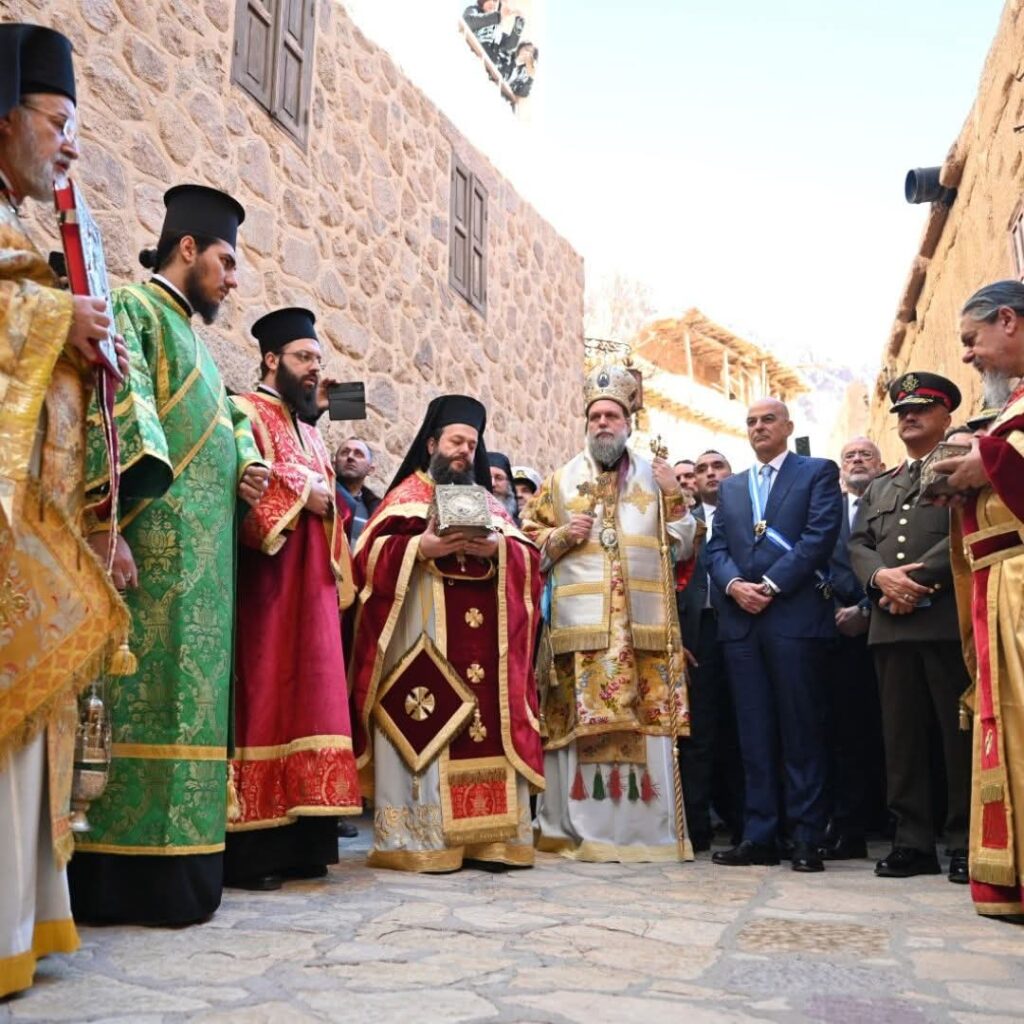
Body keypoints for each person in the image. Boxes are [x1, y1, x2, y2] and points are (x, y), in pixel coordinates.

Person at [69, 184, 270, 926]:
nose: (232, 279)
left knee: (192, 719)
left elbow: (223, 434)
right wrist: (108, 522)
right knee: (136, 713)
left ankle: (186, 868)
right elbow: (115, 419)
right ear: (187, 248)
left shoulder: (204, 353)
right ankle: (117, 875)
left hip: (205, 580)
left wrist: (243, 467)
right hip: (148, 566)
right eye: (227, 261)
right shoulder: (135, 309)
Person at [0, 23, 131, 997]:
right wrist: (55, 317)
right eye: (58, 122)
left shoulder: (23, 232)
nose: (70, 145)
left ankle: (21, 916)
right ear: (5, 120)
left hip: (34, 531)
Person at [349, 394, 544, 871]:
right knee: (428, 731)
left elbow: (529, 561)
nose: (464, 452)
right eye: (456, 441)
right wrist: (422, 547)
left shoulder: (490, 505)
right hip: (423, 645)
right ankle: (423, 839)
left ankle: (492, 840)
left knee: (485, 724)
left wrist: (498, 550)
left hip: (486, 651)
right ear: (432, 443)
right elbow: (364, 562)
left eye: (472, 445)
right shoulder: (404, 498)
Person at [523, 365, 696, 862]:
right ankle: (576, 831)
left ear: (628, 423)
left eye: (612, 416)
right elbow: (526, 541)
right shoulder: (559, 482)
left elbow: (684, 546)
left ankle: (647, 833)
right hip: (582, 634)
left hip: (643, 632)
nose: (603, 423)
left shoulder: (656, 476)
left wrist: (674, 495)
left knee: (646, 724)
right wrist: (561, 537)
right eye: (595, 416)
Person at [223, 308, 361, 891]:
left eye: (318, 361)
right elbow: (244, 480)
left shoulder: (309, 428)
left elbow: (326, 495)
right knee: (266, 699)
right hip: (270, 593)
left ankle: (307, 840)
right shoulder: (245, 410)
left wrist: (321, 493)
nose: (314, 370)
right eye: (304, 358)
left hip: (312, 593)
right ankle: (255, 851)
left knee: (312, 701)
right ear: (271, 359)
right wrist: (306, 490)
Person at [706, 398, 842, 873]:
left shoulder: (816, 472)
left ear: (788, 426)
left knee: (801, 732)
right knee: (754, 734)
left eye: (768, 420)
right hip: (742, 626)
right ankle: (759, 835)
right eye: (751, 422)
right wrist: (733, 585)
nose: (759, 427)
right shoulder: (733, 487)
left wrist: (769, 584)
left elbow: (818, 537)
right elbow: (716, 548)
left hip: (794, 619)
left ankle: (806, 838)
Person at [848, 373, 971, 884]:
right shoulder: (883, 485)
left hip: (942, 619)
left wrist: (913, 583)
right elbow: (858, 543)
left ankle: (965, 841)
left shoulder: (960, 470)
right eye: (902, 411)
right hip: (890, 626)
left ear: (946, 416)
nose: (909, 417)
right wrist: (881, 579)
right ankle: (912, 841)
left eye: (921, 409)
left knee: (956, 737)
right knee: (901, 740)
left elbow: (966, 532)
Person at [931, 280, 1024, 915]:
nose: (968, 354)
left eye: (972, 339)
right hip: (998, 584)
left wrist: (986, 461)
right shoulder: (1012, 402)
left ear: (1008, 321)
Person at [820, 437, 887, 860]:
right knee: (842, 732)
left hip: (887, 624)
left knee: (887, 730)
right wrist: (834, 610)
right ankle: (847, 825)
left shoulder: (891, 503)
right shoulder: (828, 509)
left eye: (865, 455)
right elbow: (813, 558)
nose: (857, 461)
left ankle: (891, 820)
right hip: (835, 632)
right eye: (850, 456)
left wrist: (865, 608)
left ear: (880, 465)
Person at [676, 450, 744, 852]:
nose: (709, 473)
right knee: (698, 732)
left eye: (718, 466)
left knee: (743, 727)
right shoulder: (683, 525)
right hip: (698, 634)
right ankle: (697, 826)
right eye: (701, 469)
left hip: (743, 627)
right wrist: (676, 638)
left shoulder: (749, 515)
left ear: (732, 474)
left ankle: (746, 822)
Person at [334, 437, 380, 546]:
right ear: (334, 463)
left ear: (371, 470)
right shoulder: (320, 496)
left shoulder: (376, 514)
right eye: (345, 453)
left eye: (358, 454)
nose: (350, 457)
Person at [488, 450, 519, 521]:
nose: (492, 484)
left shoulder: (523, 526)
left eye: (499, 478)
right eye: (487, 477)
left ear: (509, 483)